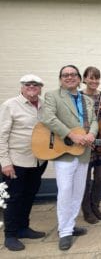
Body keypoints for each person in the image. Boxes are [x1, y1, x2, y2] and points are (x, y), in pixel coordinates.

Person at [41, 65, 98, 251]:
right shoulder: (52, 96)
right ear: (60, 79)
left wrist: (92, 134)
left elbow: (95, 120)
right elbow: (48, 118)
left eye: (73, 74)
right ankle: (64, 232)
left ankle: (70, 225)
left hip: (83, 152)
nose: (69, 77)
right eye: (65, 75)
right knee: (65, 191)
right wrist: (71, 135)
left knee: (77, 191)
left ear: (79, 78)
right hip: (64, 151)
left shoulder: (86, 99)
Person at [0, 74, 47, 251]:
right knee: (13, 197)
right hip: (17, 160)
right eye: (28, 84)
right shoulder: (10, 105)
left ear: (40, 88)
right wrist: (5, 162)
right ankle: (10, 235)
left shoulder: (43, 105)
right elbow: (1, 136)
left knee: (29, 194)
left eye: (36, 84)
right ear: (22, 87)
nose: (32, 87)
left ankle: (23, 228)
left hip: (38, 160)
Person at [80, 67, 101, 224]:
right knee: (85, 180)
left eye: (97, 78)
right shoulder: (79, 96)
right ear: (84, 79)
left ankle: (96, 206)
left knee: (99, 177)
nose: (94, 81)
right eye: (91, 78)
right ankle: (86, 210)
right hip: (85, 141)